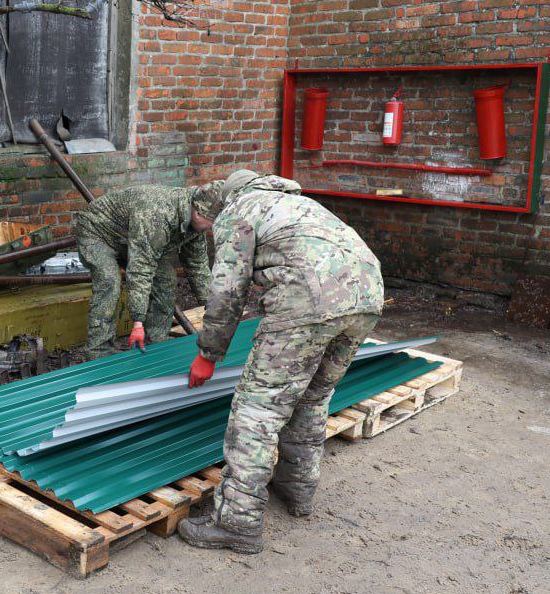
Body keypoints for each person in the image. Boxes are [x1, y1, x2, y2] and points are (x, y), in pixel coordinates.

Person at [177, 170, 384, 553]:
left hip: (309, 300)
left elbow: (227, 291)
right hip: (367, 294)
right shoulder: (297, 204)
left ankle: (237, 522)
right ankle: (297, 489)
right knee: (313, 397)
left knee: (258, 409)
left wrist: (208, 354)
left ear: (226, 198)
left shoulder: (239, 211)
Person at [72, 182, 222, 358]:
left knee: (166, 280)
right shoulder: (158, 214)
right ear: (197, 212)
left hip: (134, 237)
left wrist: (212, 308)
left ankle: (157, 340)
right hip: (98, 232)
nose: (212, 226)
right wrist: (138, 322)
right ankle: (99, 350)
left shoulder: (196, 224)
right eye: (212, 221)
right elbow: (140, 269)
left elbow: (197, 266)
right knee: (109, 282)